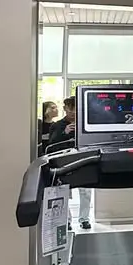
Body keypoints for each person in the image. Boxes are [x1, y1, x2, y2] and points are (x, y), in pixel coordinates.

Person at [49, 96, 92, 229]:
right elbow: (51, 146)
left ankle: (84, 218)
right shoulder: (56, 125)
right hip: (64, 164)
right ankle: (66, 220)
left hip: (84, 161)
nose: (73, 113)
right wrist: (64, 132)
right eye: (70, 110)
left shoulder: (86, 124)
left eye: (76, 110)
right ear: (65, 109)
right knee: (64, 192)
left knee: (86, 192)